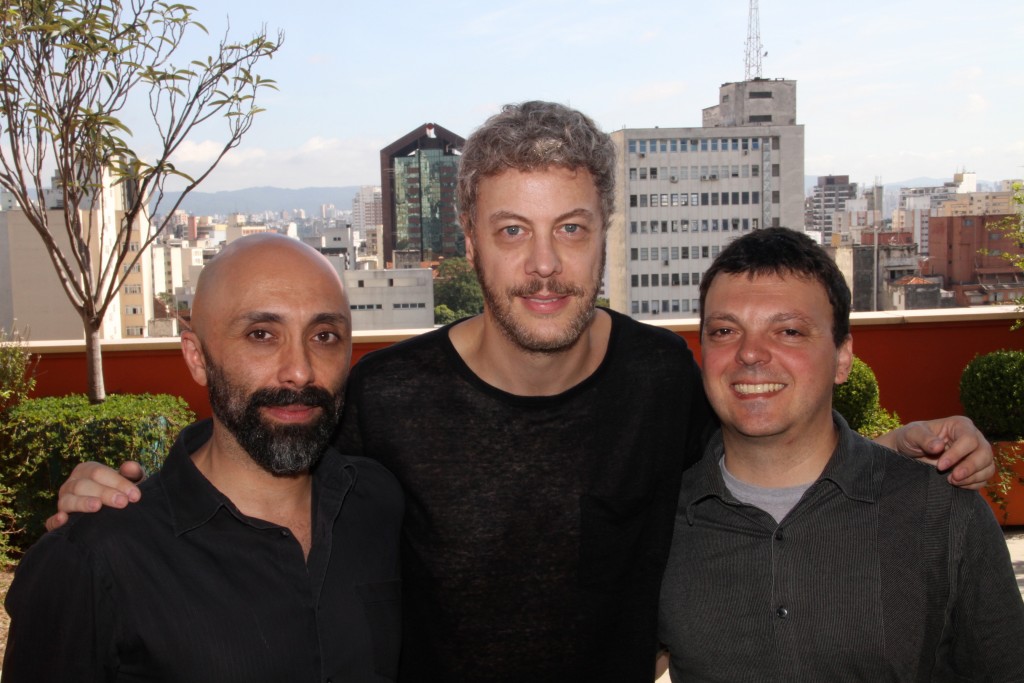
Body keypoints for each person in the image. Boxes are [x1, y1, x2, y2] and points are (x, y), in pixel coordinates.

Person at [50, 103, 995, 682]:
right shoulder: (384, 395)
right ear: (466, 240)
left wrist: (904, 442)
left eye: (572, 229)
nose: (544, 267)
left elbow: (774, 445)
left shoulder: (665, 380)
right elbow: (262, 462)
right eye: (511, 231)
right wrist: (117, 497)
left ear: (604, 237)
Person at [4, 234, 403, 682]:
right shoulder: (94, 559)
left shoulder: (378, 503)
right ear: (196, 357)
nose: (300, 370)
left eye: (325, 335)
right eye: (261, 335)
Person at [658, 228, 1024, 680]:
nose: (750, 353)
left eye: (789, 331)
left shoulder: (943, 514)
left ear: (843, 357)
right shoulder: (659, 524)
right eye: (725, 330)